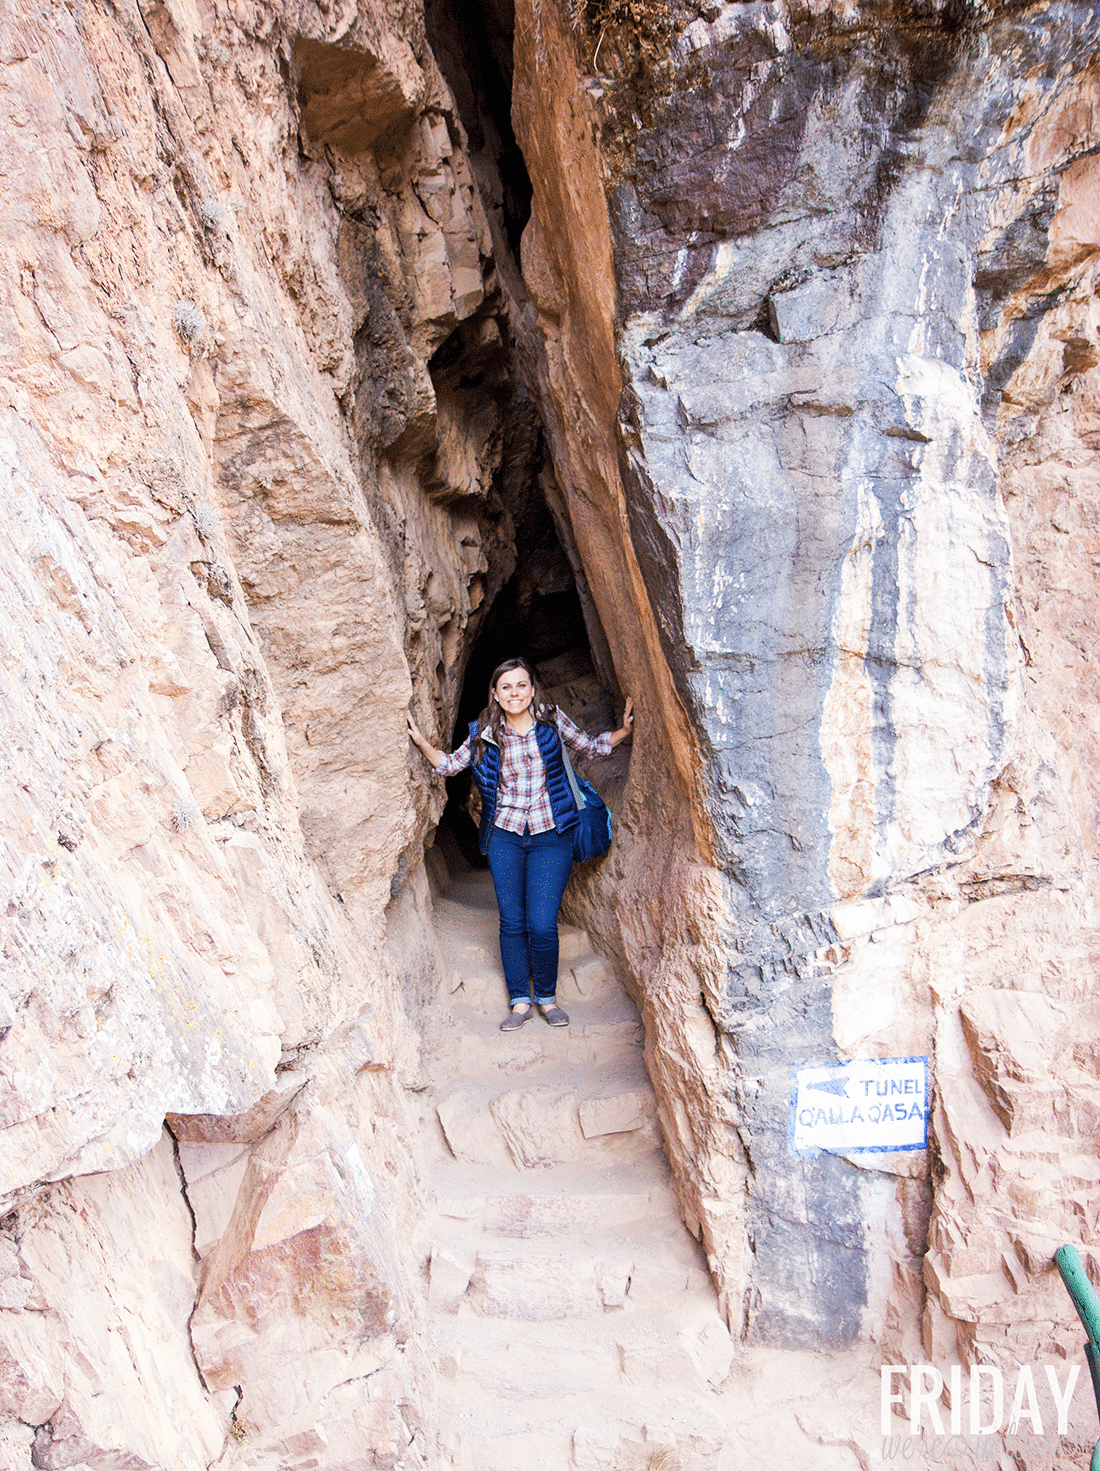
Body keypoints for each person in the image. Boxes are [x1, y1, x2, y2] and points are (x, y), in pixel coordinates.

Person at [407, 657, 634, 1032]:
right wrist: (420, 741)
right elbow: (450, 765)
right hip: (505, 836)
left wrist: (623, 731)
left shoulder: (550, 719)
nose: (515, 693)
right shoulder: (484, 730)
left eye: (521, 685)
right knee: (512, 922)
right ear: (495, 693)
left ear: (532, 688)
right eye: (506, 687)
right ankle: (519, 1001)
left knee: (542, 923)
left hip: (551, 834)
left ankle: (547, 998)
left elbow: (590, 746)